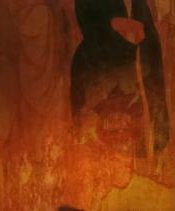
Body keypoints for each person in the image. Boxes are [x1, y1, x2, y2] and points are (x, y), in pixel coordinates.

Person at [71, 0, 169, 157]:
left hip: (134, 64)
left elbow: (149, 37)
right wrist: (118, 24)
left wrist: (141, 35)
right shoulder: (86, 60)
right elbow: (87, 22)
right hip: (98, 63)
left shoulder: (139, 4)